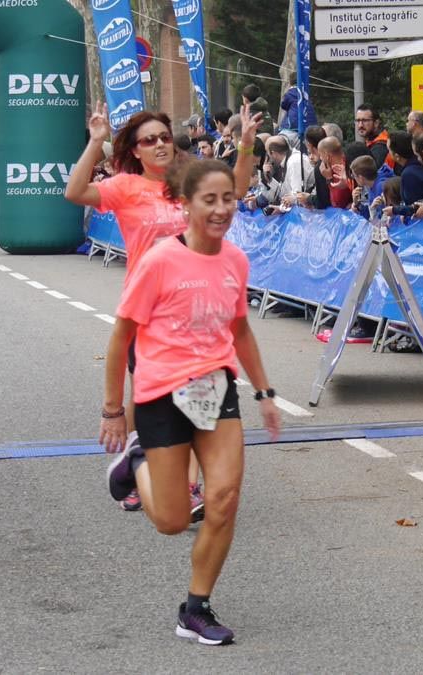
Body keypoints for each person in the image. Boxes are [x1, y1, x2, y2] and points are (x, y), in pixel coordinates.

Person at [100, 158, 282, 646]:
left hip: (215, 390)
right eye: (210, 200)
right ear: (186, 205)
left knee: (223, 500)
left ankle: (196, 608)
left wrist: (263, 392)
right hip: (161, 394)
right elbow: (121, 337)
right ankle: (136, 459)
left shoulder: (235, 261)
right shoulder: (160, 260)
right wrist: (114, 410)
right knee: (171, 521)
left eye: (229, 199)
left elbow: (240, 327)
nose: (222, 209)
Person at [66, 102, 263, 511]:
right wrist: (96, 141)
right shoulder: (125, 186)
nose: (159, 145)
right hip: (149, 308)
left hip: (199, 307)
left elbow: (238, 190)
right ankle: (145, 464)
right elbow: (74, 192)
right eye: (149, 140)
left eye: (164, 138)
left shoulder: (191, 181)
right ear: (135, 150)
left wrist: (246, 146)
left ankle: (176, 478)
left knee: (191, 391)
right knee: (151, 393)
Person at [354, 104, 391, 168]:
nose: (360, 125)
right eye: (358, 121)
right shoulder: (371, 142)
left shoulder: (381, 147)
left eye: (365, 121)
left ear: (376, 123)